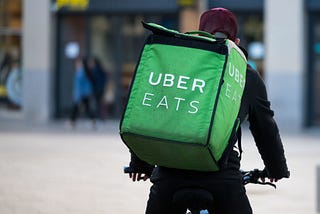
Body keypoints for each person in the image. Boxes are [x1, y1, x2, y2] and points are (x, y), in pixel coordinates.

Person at [127, 7, 290, 214]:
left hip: (170, 176)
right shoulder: (244, 74)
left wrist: (139, 163)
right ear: (236, 42)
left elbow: (150, 111)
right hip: (222, 178)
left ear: (201, 33)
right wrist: (276, 169)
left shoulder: (177, 64)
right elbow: (265, 128)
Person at [69, 57, 96, 128]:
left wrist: (77, 95)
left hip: (81, 94)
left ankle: (72, 122)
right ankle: (92, 121)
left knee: (76, 108)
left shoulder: (80, 73)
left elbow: (78, 86)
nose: (76, 64)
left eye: (78, 63)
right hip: (86, 93)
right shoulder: (85, 72)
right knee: (86, 108)